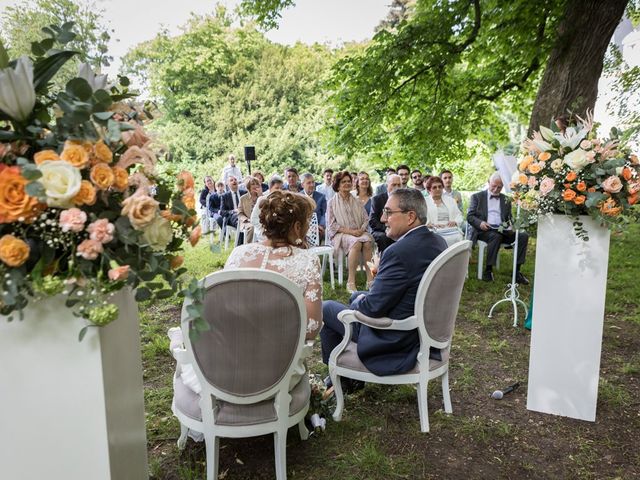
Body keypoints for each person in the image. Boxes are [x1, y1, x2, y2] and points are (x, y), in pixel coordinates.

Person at [321, 188, 447, 379]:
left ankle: (342, 379)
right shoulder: (438, 241)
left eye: (388, 212)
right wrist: (379, 279)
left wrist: (358, 302)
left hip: (394, 338)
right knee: (356, 295)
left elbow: (371, 308)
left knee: (327, 307)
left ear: (410, 216)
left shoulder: (398, 252)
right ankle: (343, 377)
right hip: (422, 329)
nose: (382, 218)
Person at [224, 191, 322, 388]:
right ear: (296, 227)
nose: (308, 227)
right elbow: (311, 328)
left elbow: (223, 308)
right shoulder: (308, 261)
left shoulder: (239, 254)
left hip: (229, 364)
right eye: (307, 222)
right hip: (279, 372)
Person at [467, 172, 529, 284]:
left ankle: (517, 272)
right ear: (488, 182)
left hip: (502, 229)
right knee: (495, 236)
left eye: (499, 187)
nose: (496, 189)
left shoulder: (506, 199)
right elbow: (470, 216)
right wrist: (480, 223)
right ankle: (488, 270)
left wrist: (512, 226)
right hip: (484, 230)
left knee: (523, 236)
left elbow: (509, 218)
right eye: (493, 186)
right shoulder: (477, 197)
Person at [327, 170, 374, 293]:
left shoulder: (357, 201)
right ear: (337, 185)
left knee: (368, 241)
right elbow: (332, 226)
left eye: (349, 181)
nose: (347, 183)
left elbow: (365, 218)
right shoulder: (332, 202)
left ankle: (370, 279)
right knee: (357, 242)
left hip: (359, 231)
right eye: (343, 182)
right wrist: (352, 232)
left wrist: (361, 230)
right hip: (341, 234)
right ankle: (351, 281)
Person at [424, 176, 463, 246]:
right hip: (433, 229)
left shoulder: (451, 200)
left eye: (440, 186)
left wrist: (455, 222)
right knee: (435, 239)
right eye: (434, 187)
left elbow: (459, 215)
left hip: (450, 229)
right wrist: (429, 224)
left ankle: (456, 256)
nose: (438, 189)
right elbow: (421, 218)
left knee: (458, 237)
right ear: (429, 190)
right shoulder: (424, 202)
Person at [369, 173, 402, 253]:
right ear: (387, 186)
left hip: (399, 229)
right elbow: (373, 221)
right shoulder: (377, 199)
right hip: (381, 230)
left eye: (399, 185)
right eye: (393, 185)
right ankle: (385, 262)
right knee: (383, 237)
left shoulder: (404, 200)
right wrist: (388, 229)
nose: (396, 188)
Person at [251, 175, 283, 242]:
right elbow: (253, 219)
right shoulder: (262, 199)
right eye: (277, 188)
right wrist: (265, 228)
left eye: (281, 188)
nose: (279, 191)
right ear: (270, 188)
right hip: (263, 229)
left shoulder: (282, 200)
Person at [301, 172, 327, 237]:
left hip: (318, 229)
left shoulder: (321, 197)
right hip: (302, 229)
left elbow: (324, 214)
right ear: (302, 185)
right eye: (309, 183)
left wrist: (321, 226)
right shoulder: (298, 197)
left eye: (313, 182)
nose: (312, 185)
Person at [237, 177, 262, 243]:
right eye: (253, 184)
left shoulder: (262, 197)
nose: (255, 185)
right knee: (252, 227)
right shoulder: (243, 198)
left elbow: (266, 209)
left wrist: (260, 196)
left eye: (257, 184)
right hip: (247, 222)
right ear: (248, 187)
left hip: (260, 221)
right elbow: (240, 213)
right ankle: (248, 247)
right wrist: (247, 220)